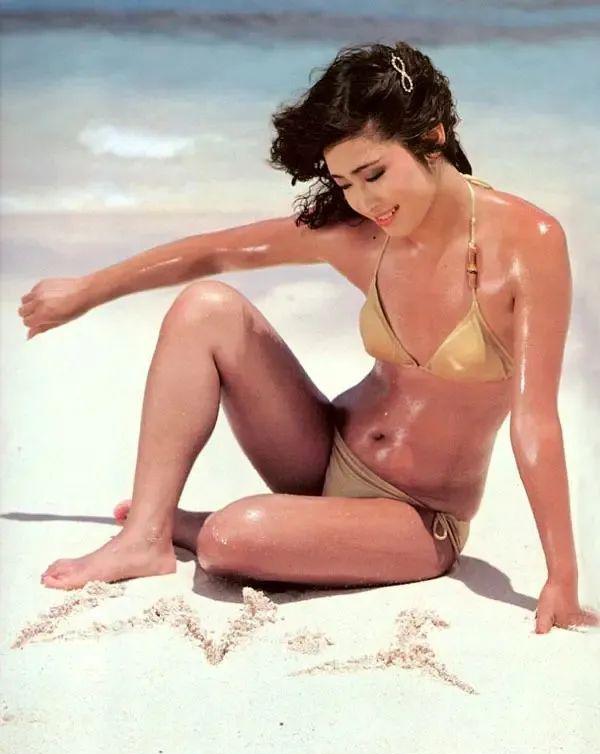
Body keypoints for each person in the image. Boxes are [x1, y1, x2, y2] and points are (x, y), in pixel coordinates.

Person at [18, 41, 597, 634]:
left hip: (417, 518)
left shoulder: (528, 242)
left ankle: (199, 525)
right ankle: (145, 535)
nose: (366, 201)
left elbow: (535, 420)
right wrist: (86, 290)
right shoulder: (364, 233)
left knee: (227, 540)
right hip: (321, 452)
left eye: (375, 174)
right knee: (206, 307)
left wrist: (562, 579)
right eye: (345, 183)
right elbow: (216, 252)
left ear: (432, 137)